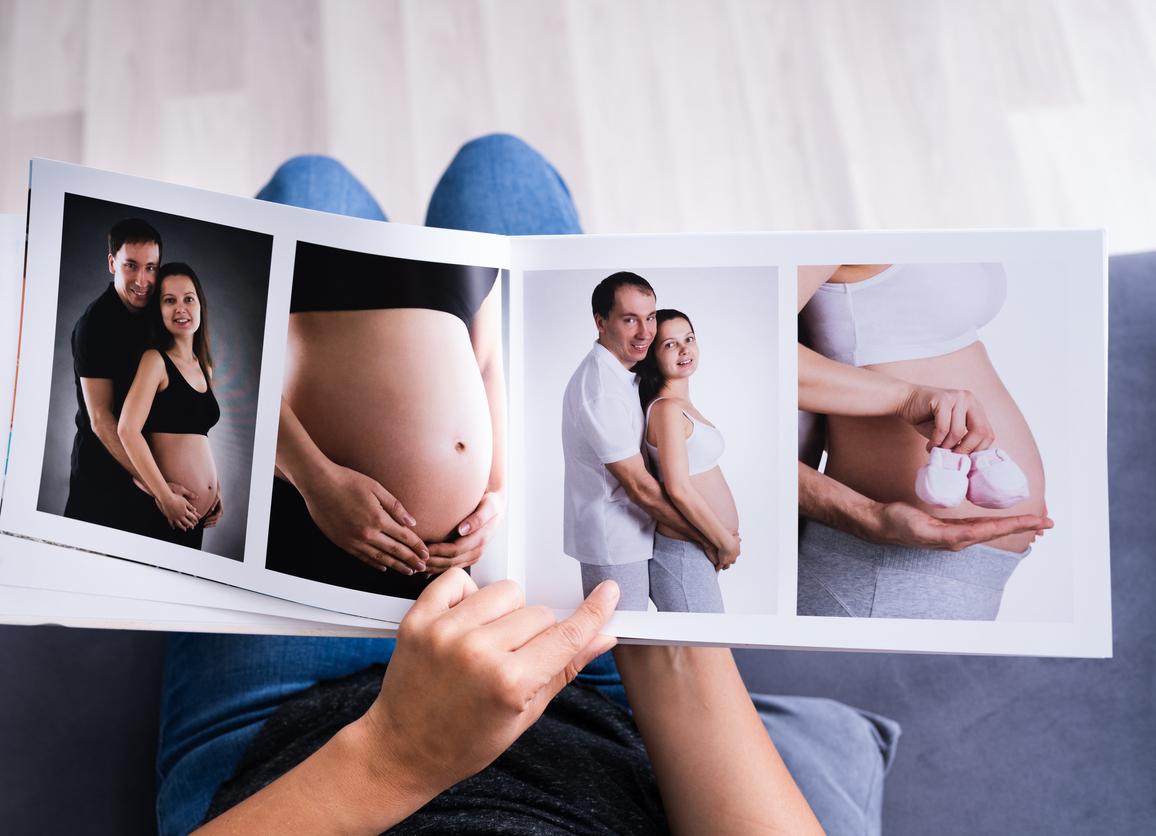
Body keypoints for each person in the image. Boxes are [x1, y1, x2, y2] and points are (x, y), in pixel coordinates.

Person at [157, 137, 899, 836]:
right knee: (496, 166)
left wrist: (397, 751)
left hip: (298, 720)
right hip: (581, 677)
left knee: (316, 184)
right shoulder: (614, 386)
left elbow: (227, 366)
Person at [797, 263, 1053, 620]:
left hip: (965, 570)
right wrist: (903, 398)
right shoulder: (834, 221)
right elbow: (747, 355)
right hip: (887, 570)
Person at [266, 224, 506, 600]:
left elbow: (487, 362)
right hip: (320, 518)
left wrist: (495, 494)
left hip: (449, 569)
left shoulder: (474, 243)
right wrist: (317, 480)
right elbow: (224, 358)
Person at [560, 274, 721, 611]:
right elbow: (639, 487)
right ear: (600, 322)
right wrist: (708, 536)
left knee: (664, 647)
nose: (645, 331)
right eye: (630, 319)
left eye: (650, 317)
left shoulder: (628, 377)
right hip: (615, 542)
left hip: (648, 534)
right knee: (626, 645)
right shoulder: (601, 389)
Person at [64, 219, 194, 528]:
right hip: (104, 482)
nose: (143, 280)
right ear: (112, 263)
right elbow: (102, 421)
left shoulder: (159, 312)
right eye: (131, 266)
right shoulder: (94, 326)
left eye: (151, 268)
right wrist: (159, 488)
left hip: (155, 482)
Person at [631, 309, 739, 613]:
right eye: (670, 344)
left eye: (689, 338)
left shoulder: (680, 405)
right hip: (682, 553)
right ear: (652, 355)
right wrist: (724, 541)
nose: (684, 349)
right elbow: (678, 488)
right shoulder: (666, 409)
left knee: (695, 654)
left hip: (695, 552)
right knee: (706, 650)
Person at [117, 263, 223, 549]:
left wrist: (215, 489)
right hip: (161, 509)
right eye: (169, 300)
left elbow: (196, 433)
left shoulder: (205, 369)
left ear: (200, 305)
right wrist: (163, 496)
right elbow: (127, 430)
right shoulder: (155, 361)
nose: (181, 308)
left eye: (188, 299)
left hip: (192, 517)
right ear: (158, 310)